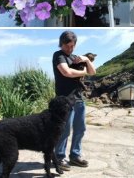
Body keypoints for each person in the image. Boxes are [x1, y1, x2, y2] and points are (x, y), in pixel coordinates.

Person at [53, 31, 96, 171]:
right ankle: (59, 158)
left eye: (72, 46)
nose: (69, 49)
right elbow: (67, 72)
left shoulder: (76, 57)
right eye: (67, 46)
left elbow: (93, 72)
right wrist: (84, 72)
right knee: (64, 130)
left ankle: (75, 156)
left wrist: (87, 60)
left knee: (80, 129)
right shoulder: (58, 55)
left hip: (78, 98)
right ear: (61, 44)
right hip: (64, 99)